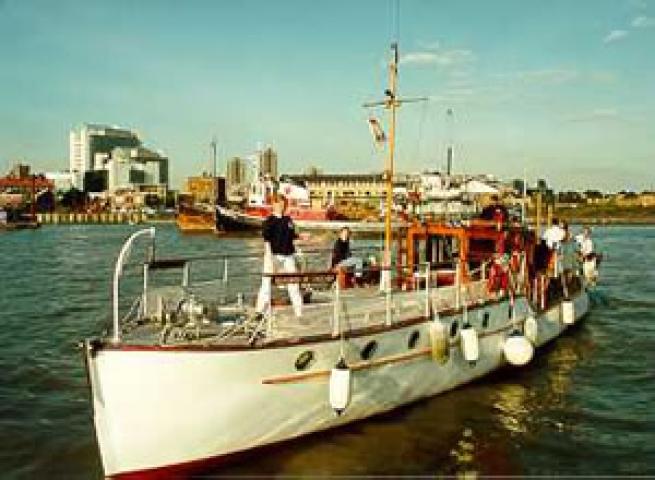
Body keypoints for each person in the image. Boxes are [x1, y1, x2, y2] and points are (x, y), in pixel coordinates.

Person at [255, 197, 303, 317]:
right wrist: (269, 257)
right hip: (273, 255)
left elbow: (293, 235)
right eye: (279, 204)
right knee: (266, 283)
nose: (281, 207)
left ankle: (299, 311)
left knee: (294, 284)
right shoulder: (269, 221)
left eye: (283, 205)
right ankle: (260, 310)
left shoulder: (288, 220)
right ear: (274, 205)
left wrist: (300, 237)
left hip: (288, 256)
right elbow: (266, 240)